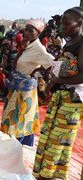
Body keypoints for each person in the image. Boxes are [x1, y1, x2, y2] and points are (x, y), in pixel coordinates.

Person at [33, 7, 83, 179]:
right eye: (62, 23)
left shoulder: (81, 44)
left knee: (59, 140)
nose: (63, 27)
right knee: (50, 136)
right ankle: (50, 174)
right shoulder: (68, 43)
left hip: (72, 101)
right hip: (60, 97)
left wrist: (57, 80)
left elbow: (82, 76)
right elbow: (62, 68)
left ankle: (50, 175)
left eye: (67, 23)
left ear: (80, 23)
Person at [1, 19, 54, 146]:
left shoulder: (39, 49)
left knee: (20, 121)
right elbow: (16, 64)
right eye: (26, 29)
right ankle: (12, 148)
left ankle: (18, 149)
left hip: (25, 92)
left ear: (38, 33)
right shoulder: (28, 46)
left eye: (31, 30)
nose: (27, 33)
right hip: (15, 89)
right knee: (12, 119)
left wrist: (36, 70)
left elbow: (52, 64)